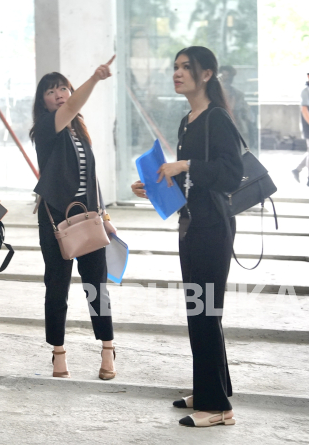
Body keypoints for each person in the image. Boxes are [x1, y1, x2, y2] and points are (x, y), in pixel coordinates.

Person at [132, 46, 242, 428]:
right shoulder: (187, 120)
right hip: (191, 224)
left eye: (185, 67)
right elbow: (189, 179)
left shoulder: (216, 119)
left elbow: (231, 173)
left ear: (207, 74)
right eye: (174, 67)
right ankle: (211, 387)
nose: (177, 73)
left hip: (213, 227)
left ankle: (218, 409)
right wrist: (155, 183)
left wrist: (187, 164)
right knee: (199, 310)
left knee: (206, 310)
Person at [29, 61, 117, 381]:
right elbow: (74, 106)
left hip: (88, 216)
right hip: (55, 219)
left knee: (97, 287)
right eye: (51, 92)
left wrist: (104, 216)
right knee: (57, 287)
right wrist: (93, 78)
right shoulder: (47, 128)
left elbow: (90, 178)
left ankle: (107, 348)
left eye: (63, 88)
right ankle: (58, 352)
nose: (59, 94)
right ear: (44, 102)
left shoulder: (79, 130)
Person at [219, 66, 256, 150]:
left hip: (237, 131)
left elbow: (247, 115)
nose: (226, 79)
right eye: (224, 76)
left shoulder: (238, 95)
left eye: (229, 76)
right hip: (219, 132)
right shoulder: (213, 95)